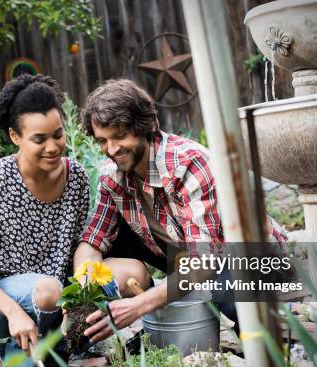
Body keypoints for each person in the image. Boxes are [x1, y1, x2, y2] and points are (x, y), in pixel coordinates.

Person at [74, 78, 287, 343]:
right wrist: (82, 287)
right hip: (186, 255)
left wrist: (138, 306)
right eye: (103, 140)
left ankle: (266, 344)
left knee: (230, 293)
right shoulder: (113, 177)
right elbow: (93, 240)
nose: (112, 149)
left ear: (147, 126)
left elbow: (203, 262)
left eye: (120, 136)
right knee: (102, 250)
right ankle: (161, 325)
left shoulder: (188, 163)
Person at [0, 74, 90, 367]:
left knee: (118, 277)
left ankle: (52, 349)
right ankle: (20, 360)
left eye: (58, 135)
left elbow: (80, 244)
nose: (53, 147)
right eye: (39, 139)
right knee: (48, 292)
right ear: (15, 136)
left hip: (51, 297)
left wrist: (82, 293)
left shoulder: (77, 178)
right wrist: (14, 311)